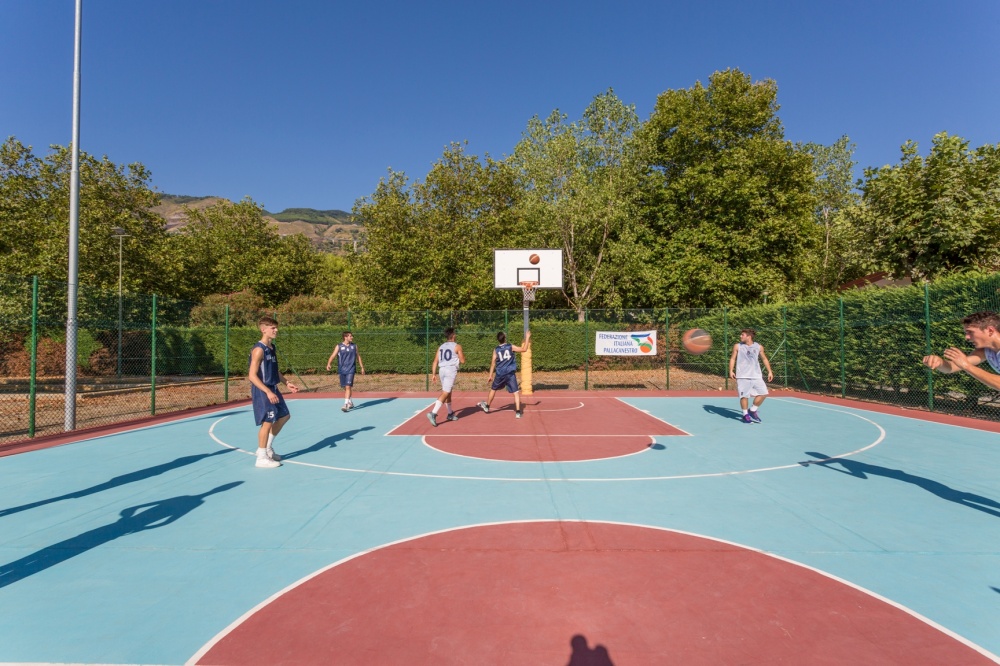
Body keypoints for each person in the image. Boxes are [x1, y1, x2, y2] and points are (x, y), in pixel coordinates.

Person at [248, 316, 299, 468]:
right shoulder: (259, 350)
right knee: (267, 422)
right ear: (263, 329)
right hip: (263, 390)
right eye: (273, 328)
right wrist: (267, 392)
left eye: (276, 328)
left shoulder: (272, 347)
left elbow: (274, 370)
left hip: (273, 388)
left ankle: (267, 448)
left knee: (284, 416)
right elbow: (252, 376)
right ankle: (261, 457)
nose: (276, 330)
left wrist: (287, 382)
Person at [922, 311, 1000, 391]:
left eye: (970, 332)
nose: (967, 337)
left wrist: (967, 366)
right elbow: (952, 367)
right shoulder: (987, 351)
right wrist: (940, 362)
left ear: (990, 331)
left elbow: (964, 364)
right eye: (966, 333)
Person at [478, 329, 531, 419]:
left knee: (493, 389)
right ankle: (518, 413)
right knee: (516, 392)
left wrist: (490, 375)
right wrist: (527, 338)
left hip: (500, 373)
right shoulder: (510, 347)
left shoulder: (496, 350)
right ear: (505, 338)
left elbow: (493, 363)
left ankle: (487, 407)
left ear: (498, 340)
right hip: (510, 373)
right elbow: (524, 349)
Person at [728, 327, 774, 424]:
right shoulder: (737, 346)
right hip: (742, 376)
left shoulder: (759, 347)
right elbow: (732, 358)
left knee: (764, 393)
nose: (740, 336)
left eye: (742, 335)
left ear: (748, 336)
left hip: (756, 375)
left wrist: (770, 371)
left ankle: (752, 410)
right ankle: (745, 415)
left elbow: (764, 359)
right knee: (744, 396)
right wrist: (731, 370)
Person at [427, 327, 466, 427]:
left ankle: (450, 413)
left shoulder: (441, 347)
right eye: (455, 333)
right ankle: (433, 413)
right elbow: (462, 361)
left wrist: (433, 374)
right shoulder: (457, 346)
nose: (456, 335)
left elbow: (435, 361)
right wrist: (460, 356)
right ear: (453, 335)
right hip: (450, 370)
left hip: (442, 370)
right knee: (445, 393)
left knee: (448, 391)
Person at [327, 331, 365, 412]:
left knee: (348, 386)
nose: (352, 337)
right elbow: (333, 355)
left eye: (352, 336)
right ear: (345, 337)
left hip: (351, 369)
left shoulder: (354, 346)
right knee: (345, 387)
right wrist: (329, 363)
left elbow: (358, 356)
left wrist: (362, 367)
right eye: (350, 336)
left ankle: (345, 404)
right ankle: (350, 401)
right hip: (342, 369)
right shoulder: (339, 346)